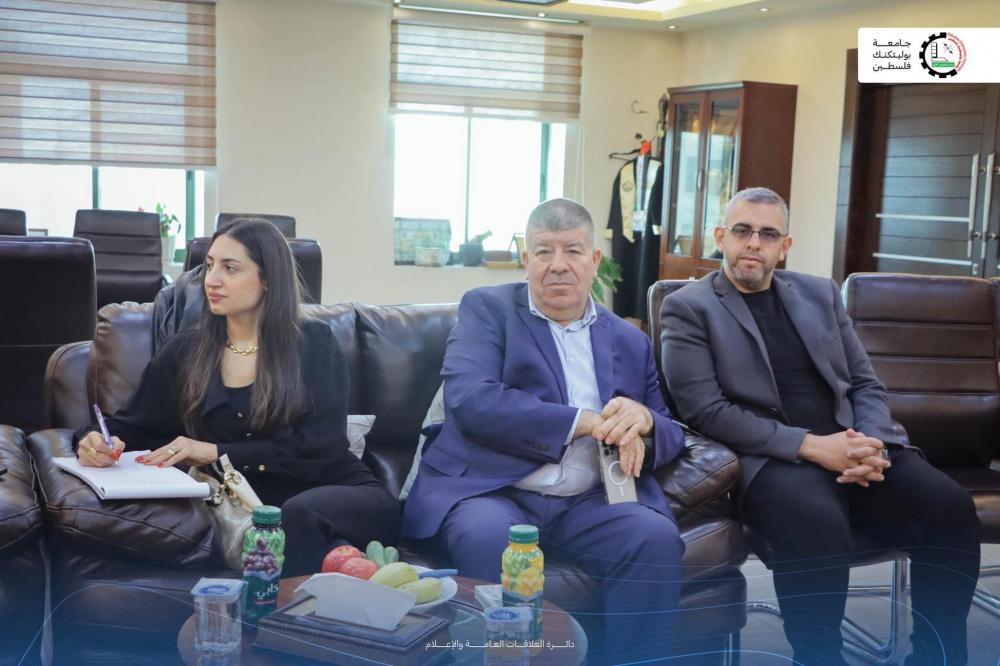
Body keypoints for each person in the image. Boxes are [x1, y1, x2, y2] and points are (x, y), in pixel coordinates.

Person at [660, 187, 980, 665]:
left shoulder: (820, 293)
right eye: (743, 231)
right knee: (817, 521)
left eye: (768, 234)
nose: (754, 243)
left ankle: (937, 656)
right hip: (770, 459)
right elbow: (706, 411)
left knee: (949, 507)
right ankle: (819, 657)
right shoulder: (688, 307)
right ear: (721, 237)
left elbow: (865, 383)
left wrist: (871, 443)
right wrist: (812, 446)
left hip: (854, 445)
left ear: (784, 246)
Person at [402, 198, 687, 663]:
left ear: (594, 260)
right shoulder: (487, 310)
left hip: (591, 501)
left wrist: (647, 421)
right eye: (543, 251)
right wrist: (583, 421)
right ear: (525, 259)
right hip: (495, 491)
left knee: (652, 538)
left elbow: (671, 429)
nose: (558, 265)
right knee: (486, 537)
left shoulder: (629, 340)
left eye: (573, 251)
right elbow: (471, 399)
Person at [75, 218, 400, 576]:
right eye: (210, 265)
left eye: (230, 268)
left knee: (290, 518)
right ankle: (353, 579)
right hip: (254, 510)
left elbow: (320, 449)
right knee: (281, 526)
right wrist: (94, 441)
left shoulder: (313, 343)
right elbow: (131, 426)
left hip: (339, 493)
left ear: (268, 278)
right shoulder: (186, 351)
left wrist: (216, 452)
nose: (211, 280)